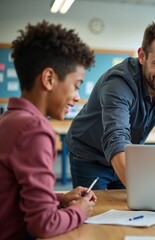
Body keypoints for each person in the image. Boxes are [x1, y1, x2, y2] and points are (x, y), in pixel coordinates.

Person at [0, 21, 97, 239]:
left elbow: (15, 196)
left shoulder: (9, 119)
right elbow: (43, 224)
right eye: (76, 85)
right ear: (49, 78)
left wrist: (59, 199)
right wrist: (79, 211)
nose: (76, 97)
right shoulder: (34, 129)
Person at [65, 21, 155, 190]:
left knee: (131, 211)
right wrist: (149, 195)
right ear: (142, 56)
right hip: (90, 155)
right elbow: (116, 137)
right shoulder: (118, 83)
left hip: (128, 155)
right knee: (96, 213)